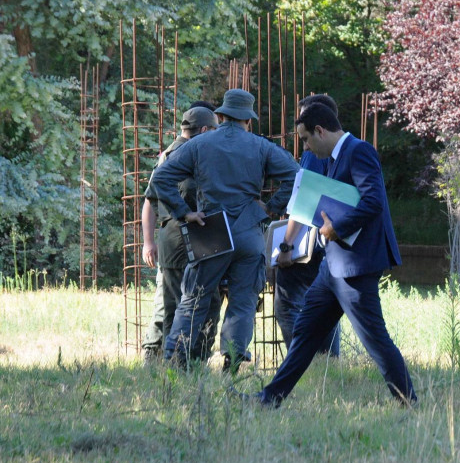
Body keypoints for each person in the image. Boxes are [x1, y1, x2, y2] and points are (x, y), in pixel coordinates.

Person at [256, 103, 415, 406]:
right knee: (305, 331)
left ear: (320, 130)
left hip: (355, 267)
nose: (306, 147)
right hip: (333, 267)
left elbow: (374, 202)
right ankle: (270, 398)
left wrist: (336, 229)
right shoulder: (331, 157)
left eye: (306, 139)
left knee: (374, 338)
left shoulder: (359, 151)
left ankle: (409, 401)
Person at [150, 88, 300, 371]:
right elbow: (295, 176)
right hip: (249, 232)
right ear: (249, 120)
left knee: (194, 298)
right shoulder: (261, 146)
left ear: (220, 115)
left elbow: (162, 177)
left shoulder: (199, 144)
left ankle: (175, 359)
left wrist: (185, 212)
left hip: (211, 229)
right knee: (243, 301)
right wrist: (269, 208)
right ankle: (233, 362)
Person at [140, 105, 221, 363]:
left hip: (175, 240)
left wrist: (149, 242)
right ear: (205, 130)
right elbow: (153, 200)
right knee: (191, 305)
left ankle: (173, 362)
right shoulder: (184, 155)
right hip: (183, 239)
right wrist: (148, 242)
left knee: (175, 306)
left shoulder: (170, 154)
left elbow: (149, 201)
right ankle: (182, 362)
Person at [272, 94, 342, 358]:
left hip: (308, 244)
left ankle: (303, 360)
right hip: (330, 242)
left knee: (288, 304)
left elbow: (305, 203)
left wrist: (286, 245)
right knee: (326, 307)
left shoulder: (315, 152)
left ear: (318, 126)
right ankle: (327, 361)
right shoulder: (343, 150)